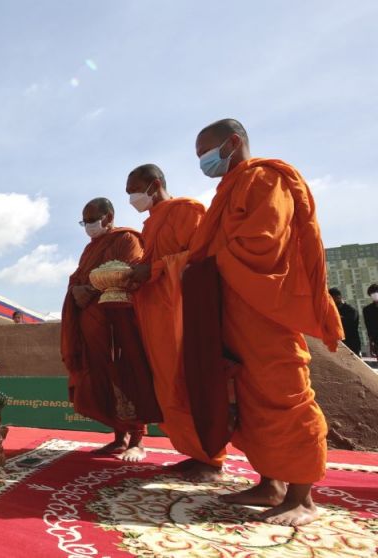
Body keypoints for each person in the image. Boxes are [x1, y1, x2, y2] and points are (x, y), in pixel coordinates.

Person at [186, 118, 343, 526]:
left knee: (284, 394)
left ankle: (302, 497)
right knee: (248, 400)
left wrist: (209, 261)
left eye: (206, 152)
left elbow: (263, 242)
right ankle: (270, 483)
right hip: (232, 311)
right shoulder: (227, 190)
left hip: (265, 310)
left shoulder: (266, 178)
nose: (203, 161)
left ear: (232, 142)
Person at [123, 164, 222, 481]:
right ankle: (195, 453)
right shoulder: (151, 223)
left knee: (189, 382)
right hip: (155, 315)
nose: (132, 198)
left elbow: (201, 258)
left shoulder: (187, 211)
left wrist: (153, 270)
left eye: (134, 191)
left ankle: (212, 459)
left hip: (181, 313)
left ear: (154, 185)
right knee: (167, 387)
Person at [60, 198, 160, 462]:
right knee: (100, 377)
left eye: (92, 220)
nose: (88, 226)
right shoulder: (90, 249)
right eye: (84, 221)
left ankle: (137, 440)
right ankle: (119, 437)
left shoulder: (126, 239)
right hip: (92, 325)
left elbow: (128, 272)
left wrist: (90, 289)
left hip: (119, 320)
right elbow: (78, 276)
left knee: (126, 374)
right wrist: (76, 290)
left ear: (109, 217)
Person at [328, 288, 362, 355]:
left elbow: (349, 324)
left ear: (338, 297)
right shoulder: (333, 310)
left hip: (351, 344)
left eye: (332, 299)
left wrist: (336, 319)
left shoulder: (351, 310)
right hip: (338, 345)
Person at [365, 284, 378, 357]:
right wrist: (371, 344)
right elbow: (368, 328)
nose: (375, 295)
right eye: (372, 294)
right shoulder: (367, 310)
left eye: (376, 292)